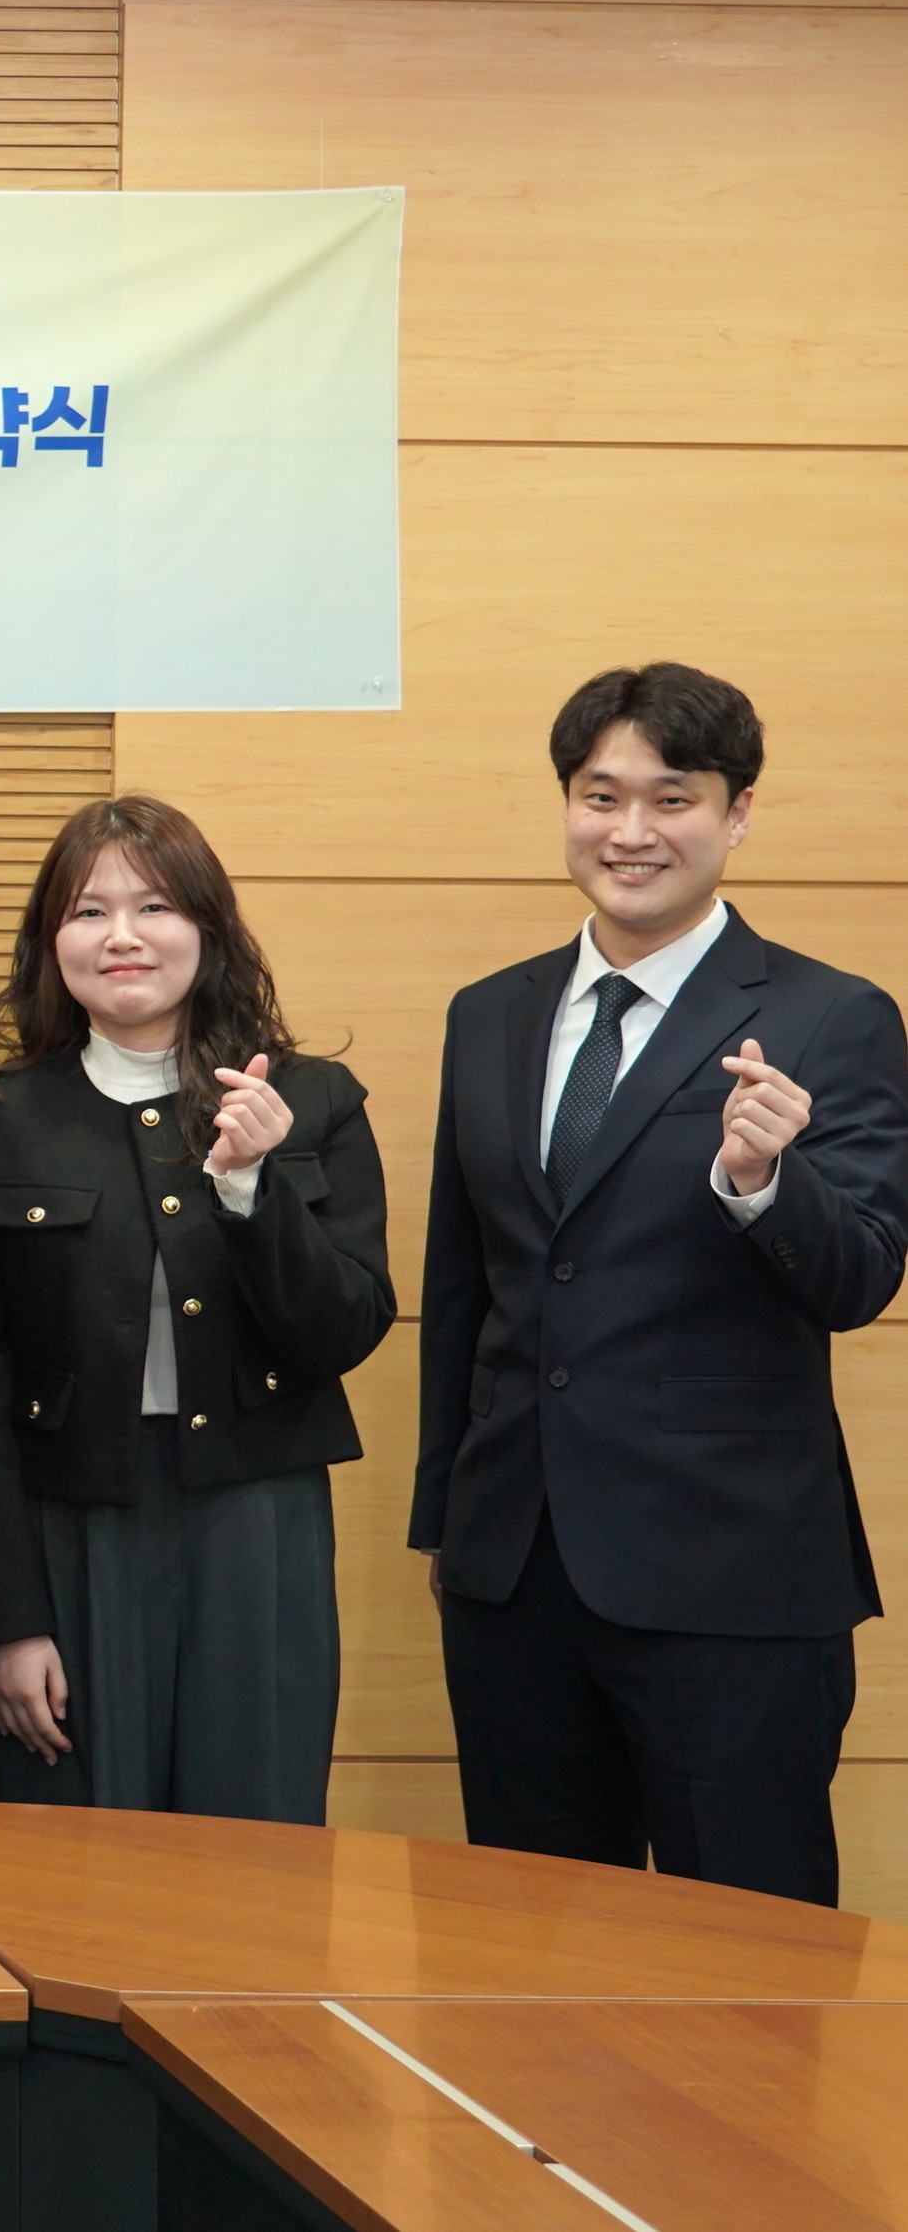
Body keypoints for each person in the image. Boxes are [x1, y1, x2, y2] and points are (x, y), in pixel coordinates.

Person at [417, 663, 904, 1905]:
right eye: (600, 796)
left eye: (670, 799)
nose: (629, 832)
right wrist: (452, 1529)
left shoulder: (830, 1016)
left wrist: (762, 1182)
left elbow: (857, 1278)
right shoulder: (487, 1015)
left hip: (728, 1577)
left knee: (745, 1954)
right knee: (526, 1948)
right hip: (512, 1572)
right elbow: (463, 1288)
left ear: (735, 816)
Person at [0, 796, 394, 1822]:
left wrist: (252, 1189)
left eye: (154, 907)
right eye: (88, 912)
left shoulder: (310, 1100)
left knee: (251, 1840)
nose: (122, 936)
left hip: (255, 1516)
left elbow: (341, 1331)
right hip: (68, 1523)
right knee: (75, 1852)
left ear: (207, 928)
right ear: (50, 942)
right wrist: (4, 1623)